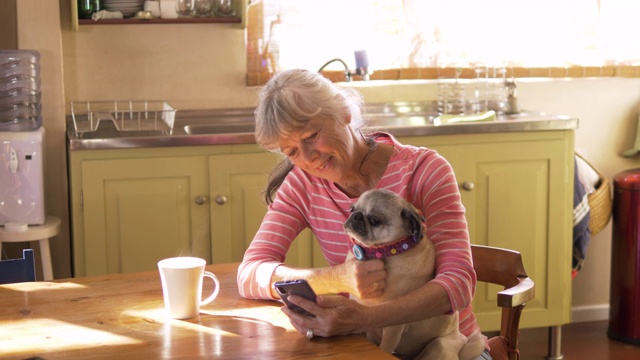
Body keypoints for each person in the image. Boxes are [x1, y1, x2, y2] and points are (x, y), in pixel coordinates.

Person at [237, 69, 490, 359]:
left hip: (452, 349)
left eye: (310, 137)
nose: (307, 158)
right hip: (368, 347)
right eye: (291, 151)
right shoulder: (303, 184)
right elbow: (250, 272)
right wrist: (336, 278)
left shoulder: (425, 170)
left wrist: (364, 319)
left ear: (344, 112)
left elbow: (458, 284)